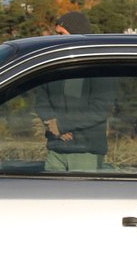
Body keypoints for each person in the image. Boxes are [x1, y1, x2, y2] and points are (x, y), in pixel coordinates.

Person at [34, 12, 116, 171]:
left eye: (61, 34)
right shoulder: (53, 66)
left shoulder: (99, 67)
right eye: (56, 34)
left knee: (79, 196)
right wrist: (52, 125)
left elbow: (101, 108)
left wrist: (62, 125)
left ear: (77, 35)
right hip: (55, 149)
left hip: (86, 151)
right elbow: (40, 100)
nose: (56, 38)